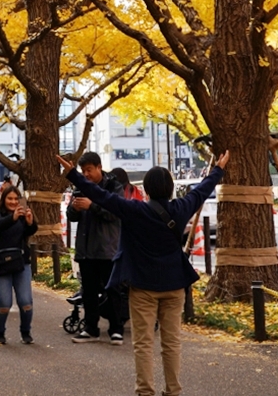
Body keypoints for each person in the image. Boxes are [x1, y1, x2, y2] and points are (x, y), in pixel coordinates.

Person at [57, 151, 228, 396]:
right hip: (174, 285)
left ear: (145, 190)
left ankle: (145, 391)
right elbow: (200, 191)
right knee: (171, 343)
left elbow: (99, 195)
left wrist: (73, 173)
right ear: (170, 189)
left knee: (143, 344)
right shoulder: (181, 208)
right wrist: (217, 170)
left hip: (142, 286)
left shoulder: (134, 209)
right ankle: (173, 391)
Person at [67, 151, 125, 344]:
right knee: (88, 290)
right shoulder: (80, 187)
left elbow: (115, 213)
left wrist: (92, 206)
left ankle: (117, 330)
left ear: (99, 167)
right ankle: (91, 328)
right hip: (85, 248)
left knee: (113, 290)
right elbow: (71, 216)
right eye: (83, 171)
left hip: (107, 248)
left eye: (89, 170)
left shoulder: (114, 187)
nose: (86, 174)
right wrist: (74, 208)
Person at [0, 185, 38, 345]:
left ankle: (26, 332)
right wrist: (13, 218)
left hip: (21, 263)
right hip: (0, 264)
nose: (13, 202)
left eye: (16, 199)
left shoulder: (22, 216)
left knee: (26, 302)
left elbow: (29, 232)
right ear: (4, 199)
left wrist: (30, 223)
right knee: (4, 304)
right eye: (10, 199)